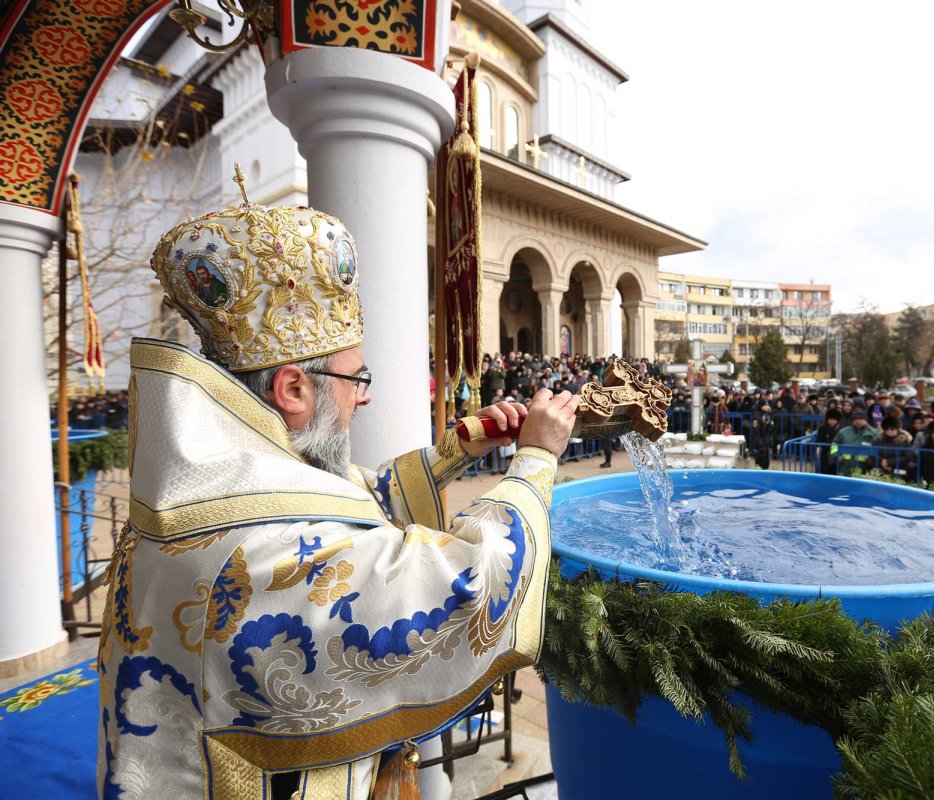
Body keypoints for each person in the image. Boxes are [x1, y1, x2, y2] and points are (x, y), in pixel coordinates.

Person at [99, 194, 579, 798]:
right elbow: (468, 587)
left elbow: (351, 501)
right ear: (293, 387)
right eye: (358, 379)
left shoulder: (210, 480)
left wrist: (462, 446)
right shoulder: (261, 543)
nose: (366, 397)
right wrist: (536, 459)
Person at [832, 410, 879, 475]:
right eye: (855, 419)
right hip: (846, 467)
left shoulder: (874, 433)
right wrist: (836, 455)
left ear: (866, 420)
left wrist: (873, 459)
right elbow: (834, 444)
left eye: (860, 419)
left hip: (866, 469)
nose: (857, 421)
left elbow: (880, 448)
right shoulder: (843, 432)